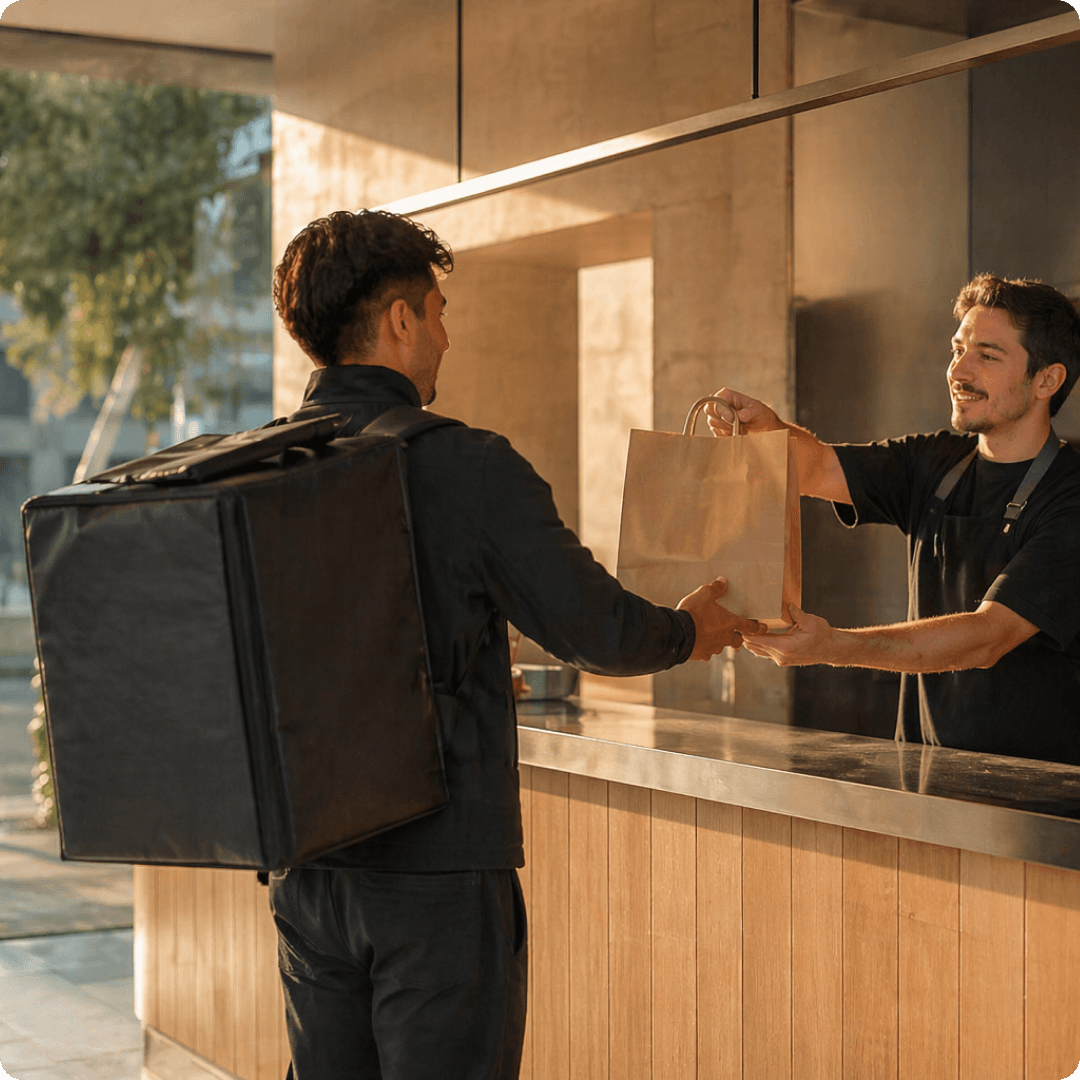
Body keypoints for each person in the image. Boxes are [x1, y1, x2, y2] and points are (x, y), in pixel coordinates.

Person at [268, 208, 763, 1080]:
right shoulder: (467, 466)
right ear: (400, 320)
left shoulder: (262, 470)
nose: (447, 338)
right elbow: (596, 628)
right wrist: (692, 631)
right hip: (438, 872)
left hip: (305, 871)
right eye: (439, 310)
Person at [706, 274, 1080, 764]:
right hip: (929, 771)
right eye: (957, 349)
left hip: (1043, 794)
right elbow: (817, 467)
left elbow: (986, 639)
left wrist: (834, 646)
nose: (958, 371)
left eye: (986, 356)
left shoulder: (1070, 495)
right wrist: (768, 433)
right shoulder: (935, 462)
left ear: (1046, 380)